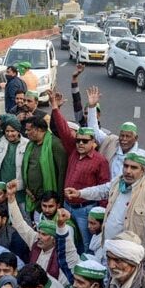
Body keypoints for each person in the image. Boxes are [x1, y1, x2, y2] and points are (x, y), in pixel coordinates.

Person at [65, 153, 145, 256]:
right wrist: (80, 193)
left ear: (144, 170)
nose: (128, 171)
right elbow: (102, 190)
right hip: (108, 249)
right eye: (126, 166)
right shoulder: (118, 182)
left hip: (129, 257)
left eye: (134, 167)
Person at [50, 92, 111, 252]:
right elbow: (63, 130)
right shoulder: (73, 152)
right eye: (78, 140)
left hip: (86, 210)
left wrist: (101, 215)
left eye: (85, 141)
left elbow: (104, 189)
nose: (80, 144)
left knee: (86, 245)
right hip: (67, 206)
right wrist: (55, 108)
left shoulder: (100, 161)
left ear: (94, 143)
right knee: (65, 239)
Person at [8, 181, 78, 286]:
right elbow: (19, 224)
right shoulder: (35, 240)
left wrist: (61, 225)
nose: (39, 237)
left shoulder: (62, 256)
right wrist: (11, 199)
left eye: (44, 234)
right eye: (39, 232)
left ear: (54, 239)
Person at [86, 88, 145, 178]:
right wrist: (92, 107)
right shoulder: (111, 143)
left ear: (136, 138)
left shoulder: (144, 157)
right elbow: (94, 131)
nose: (124, 139)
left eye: (128, 136)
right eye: (122, 135)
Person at [22, 116, 67, 214]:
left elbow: (62, 173)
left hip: (49, 200)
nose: (26, 133)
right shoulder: (30, 145)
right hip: (32, 197)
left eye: (28, 130)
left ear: (39, 129)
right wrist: (27, 189)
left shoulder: (55, 144)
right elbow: (25, 168)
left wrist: (58, 199)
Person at [0, 105, 29, 203]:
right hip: (1, 188)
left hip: (19, 189)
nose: (9, 134)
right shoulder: (1, 139)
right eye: (7, 131)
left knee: (21, 215)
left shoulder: (26, 144)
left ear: (18, 131)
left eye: (12, 131)